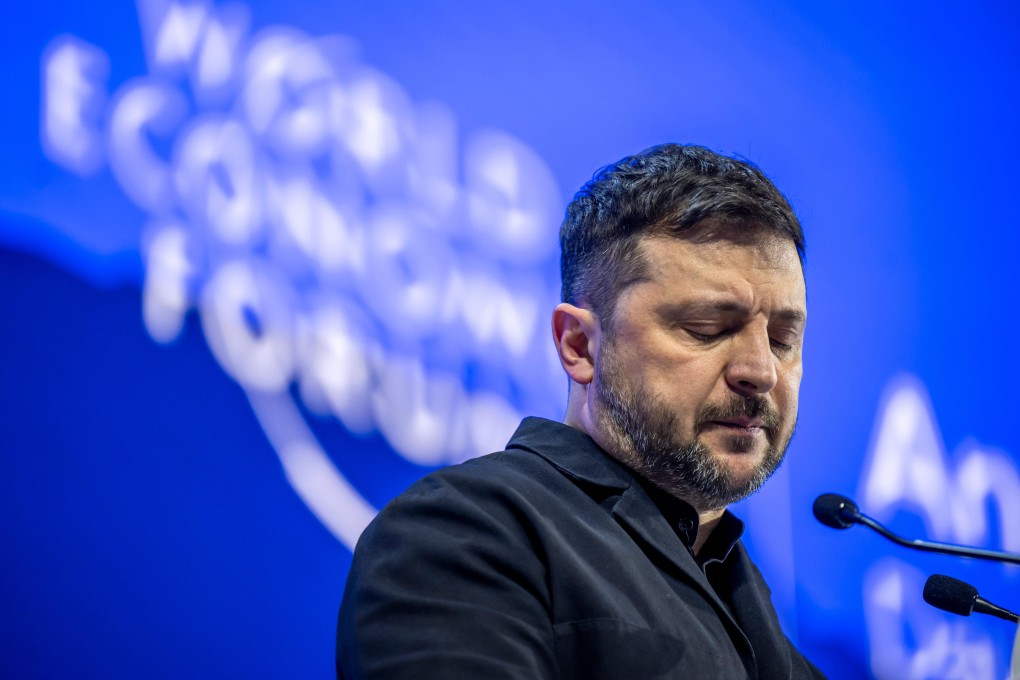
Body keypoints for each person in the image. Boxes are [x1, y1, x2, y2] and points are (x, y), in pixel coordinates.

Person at [336, 143, 825, 679]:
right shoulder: (464, 532)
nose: (761, 370)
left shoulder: (776, 641)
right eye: (707, 329)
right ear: (580, 346)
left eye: (783, 340)